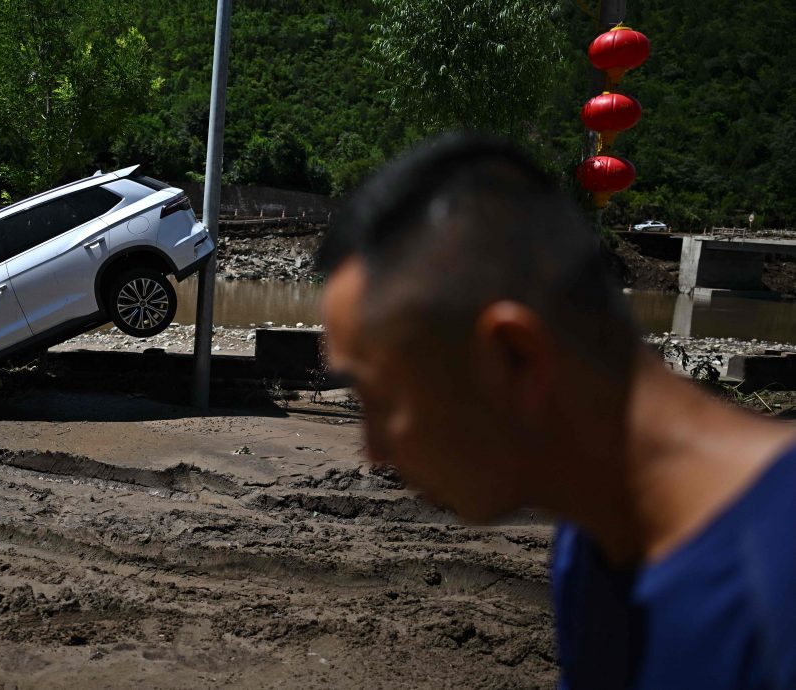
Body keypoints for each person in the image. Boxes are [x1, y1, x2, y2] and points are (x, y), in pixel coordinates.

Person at [317, 133, 796, 689]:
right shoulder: (591, 545)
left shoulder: (777, 583)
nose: (374, 451)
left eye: (380, 399)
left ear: (515, 358)